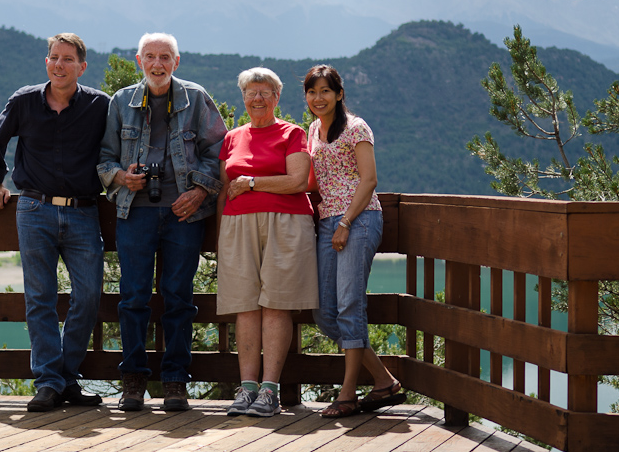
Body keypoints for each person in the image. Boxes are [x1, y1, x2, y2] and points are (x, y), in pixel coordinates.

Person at [97, 32, 227, 412]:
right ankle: (133, 380)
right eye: (150, 57)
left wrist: (200, 192)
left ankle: (175, 380)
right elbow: (104, 158)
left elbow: (216, 153)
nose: (157, 64)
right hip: (134, 212)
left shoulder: (196, 98)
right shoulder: (121, 101)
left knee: (179, 299)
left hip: (184, 214)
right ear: (139, 61)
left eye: (165, 57)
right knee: (133, 297)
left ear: (176, 61)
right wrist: (123, 177)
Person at [0, 32, 110, 413]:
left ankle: (64, 377)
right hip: (34, 209)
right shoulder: (24, 100)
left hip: (84, 210)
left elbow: (120, 145)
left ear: (82, 67)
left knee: (88, 295)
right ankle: (49, 382)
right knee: (40, 298)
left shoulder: (99, 105)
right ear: (46, 62)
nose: (59, 64)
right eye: (54, 57)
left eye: (68, 59)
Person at [216, 67, 318, 418]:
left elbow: (298, 181)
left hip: (286, 223)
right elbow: (223, 190)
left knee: (276, 304)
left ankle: (269, 391)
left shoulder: (293, 133)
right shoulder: (232, 137)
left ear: (277, 97)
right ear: (242, 97)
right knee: (245, 304)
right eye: (251, 92)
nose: (257, 98)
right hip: (236, 225)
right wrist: (219, 237)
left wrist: (253, 183)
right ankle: (246, 390)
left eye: (265, 92)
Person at [303, 64, 403, 418]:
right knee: (324, 314)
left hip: (358, 220)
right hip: (326, 221)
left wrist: (346, 222)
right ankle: (384, 381)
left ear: (339, 94)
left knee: (349, 305)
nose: (318, 98)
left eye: (325, 91)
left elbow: (369, 179)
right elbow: (316, 180)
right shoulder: (313, 130)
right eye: (312, 92)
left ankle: (347, 394)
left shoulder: (357, 127)